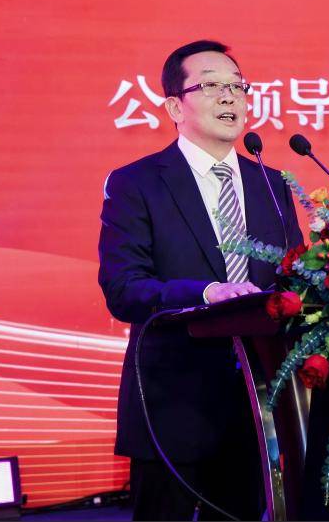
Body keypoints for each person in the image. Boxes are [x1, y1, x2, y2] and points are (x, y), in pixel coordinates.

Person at [98, 39, 303, 521]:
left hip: (258, 405)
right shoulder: (137, 182)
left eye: (237, 86)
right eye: (211, 86)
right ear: (175, 106)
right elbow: (124, 288)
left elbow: (294, 279)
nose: (229, 97)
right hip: (172, 404)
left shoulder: (272, 183)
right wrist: (209, 294)